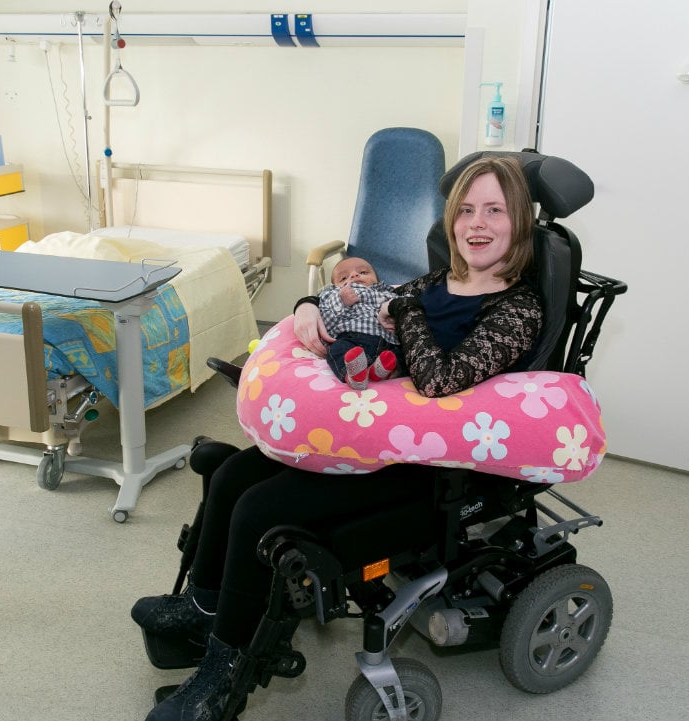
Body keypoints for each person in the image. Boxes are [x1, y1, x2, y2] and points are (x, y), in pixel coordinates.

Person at [130, 155, 544, 721]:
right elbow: (369, 300)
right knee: (231, 475)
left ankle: (222, 678)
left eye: (495, 210)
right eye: (466, 209)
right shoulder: (440, 279)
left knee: (260, 510)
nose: (477, 223)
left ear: (519, 220)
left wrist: (405, 311)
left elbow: (439, 379)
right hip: (369, 435)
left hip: (423, 466)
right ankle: (204, 611)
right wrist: (308, 305)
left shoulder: (518, 307)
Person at [316, 256, 401, 389]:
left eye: (363, 272)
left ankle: (377, 371)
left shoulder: (387, 292)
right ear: (334, 287)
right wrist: (341, 302)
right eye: (343, 278)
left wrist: (396, 313)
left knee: (403, 356)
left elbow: (406, 305)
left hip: (388, 342)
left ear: (377, 280)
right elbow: (325, 321)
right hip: (352, 340)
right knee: (337, 349)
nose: (354, 275)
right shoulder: (332, 295)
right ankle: (352, 376)